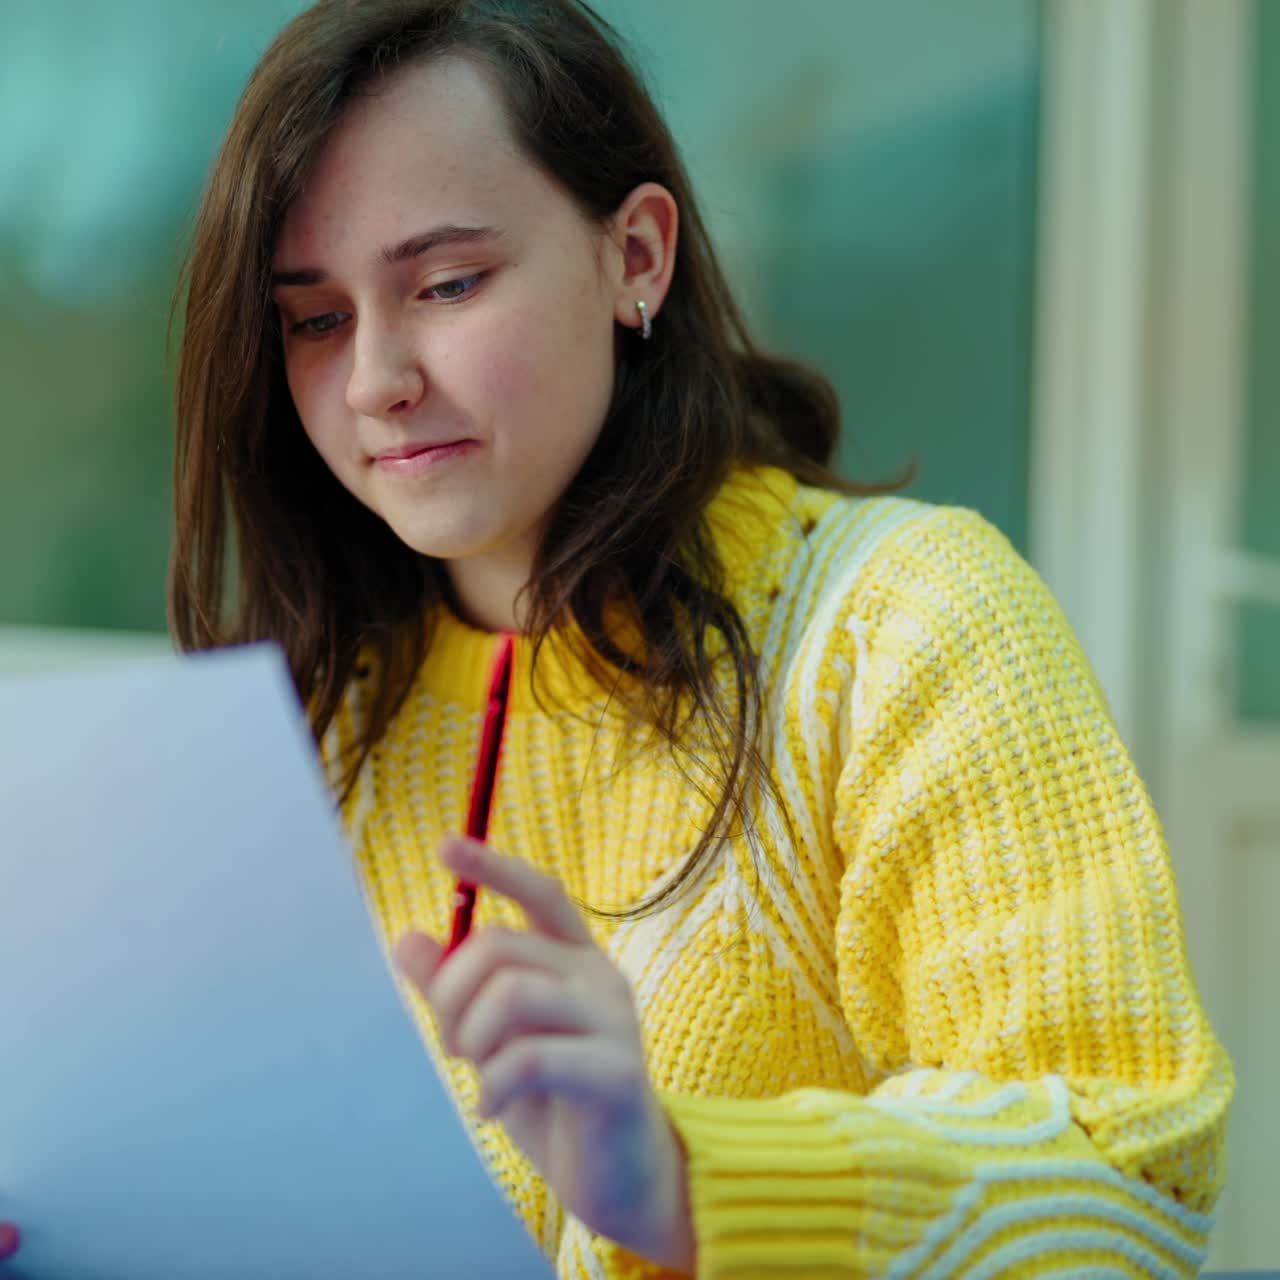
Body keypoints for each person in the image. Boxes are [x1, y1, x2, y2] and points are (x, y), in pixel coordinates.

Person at [0, 0, 1234, 1274]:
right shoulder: (314, 716)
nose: (375, 377)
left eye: (446, 283)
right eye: (314, 318)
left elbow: (1131, 1169)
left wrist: (688, 1179)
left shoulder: (901, 625)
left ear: (635, 254)